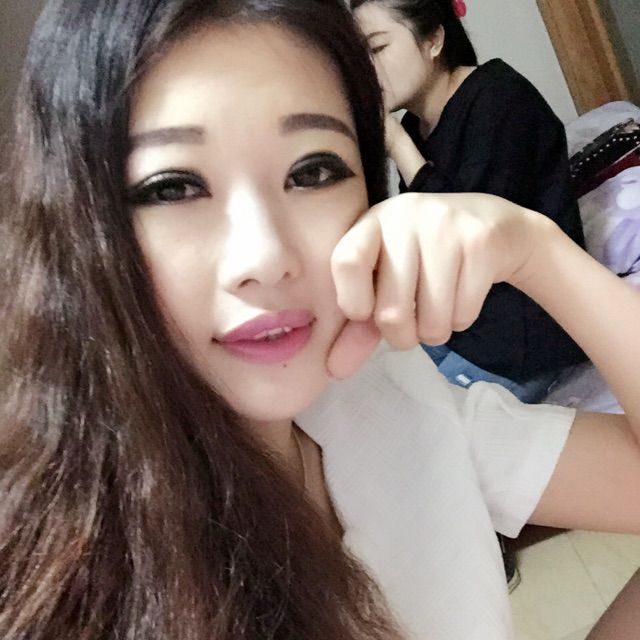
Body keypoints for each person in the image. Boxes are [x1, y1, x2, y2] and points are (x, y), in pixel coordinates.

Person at [1, 1, 640, 640]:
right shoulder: (67, 572)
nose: (266, 257)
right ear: (80, 227)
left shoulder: (386, 400)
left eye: (313, 171)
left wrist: (535, 251)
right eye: (174, 187)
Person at [351, 0, 589, 403]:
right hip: (463, 324)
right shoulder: (416, 126)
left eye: (378, 48)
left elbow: (472, 239)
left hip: (526, 332)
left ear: (434, 39)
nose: (366, 71)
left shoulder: (499, 96)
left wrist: (399, 146)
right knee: (364, 387)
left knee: (414, 417)